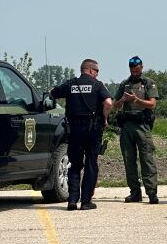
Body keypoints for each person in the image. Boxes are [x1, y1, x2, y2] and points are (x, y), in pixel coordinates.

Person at [50, 59, 113, 211]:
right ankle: (86, 202)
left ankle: (72, 200)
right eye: (97, 70)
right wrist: (104, 119)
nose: (97, 74)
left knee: (75, 164)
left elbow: (53, 93)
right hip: (93, 130)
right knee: (91, 163)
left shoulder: (70, 84)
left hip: (74, 130)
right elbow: (109, 103)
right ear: (90, 70)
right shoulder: (98, 85)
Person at [113, 56, 160, 204]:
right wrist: (123, 100)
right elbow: (115, 105)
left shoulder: (148, 83)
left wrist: (136, 100)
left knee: (147, 159)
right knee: (129, 160)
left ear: (142, 68)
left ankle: (151, 192)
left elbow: (152, 104)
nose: (135, 72)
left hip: (142, 125)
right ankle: (134, 192)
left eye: (137, 70)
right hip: (127, 125)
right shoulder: (124, 84)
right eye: (132, 70)